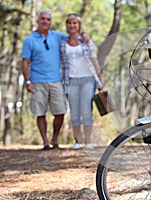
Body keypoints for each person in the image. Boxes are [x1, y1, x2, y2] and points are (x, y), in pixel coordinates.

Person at [21, 9, 89, 150]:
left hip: (56, 80)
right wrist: (27, 81)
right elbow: (25, 62)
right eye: (43, 19)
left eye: (48, 19)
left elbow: (73, 36)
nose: (45, 21)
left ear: (50, 22)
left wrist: (83, 34)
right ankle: (45, 142)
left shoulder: (57, 36)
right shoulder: (29, 40)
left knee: (60, 112)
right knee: (40, 113)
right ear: (38, 21)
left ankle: (55, 138)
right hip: (37, 81)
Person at [60, 13, 103, 150]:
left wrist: (100, 76)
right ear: (66, 25)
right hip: (70, 80)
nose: (72, 25)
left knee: (86, 110)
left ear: (79, 25)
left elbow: (94, 59)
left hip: (87, 79)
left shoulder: (86, 41)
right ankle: (78, 141)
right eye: (69, 23)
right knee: (74, 112)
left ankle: (88, 141)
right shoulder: (62, 43)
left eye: (75, 23)